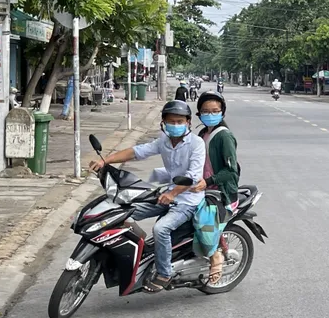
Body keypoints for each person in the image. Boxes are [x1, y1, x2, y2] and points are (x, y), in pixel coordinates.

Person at [88, 100, 205, 293]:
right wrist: (105, 161)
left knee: (160, 229)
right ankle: (143, 249)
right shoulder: (164, 141)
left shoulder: (196, 144)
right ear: (163, 122)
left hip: (188, 200)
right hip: (166, 194)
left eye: (180, 121)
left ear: (188, 122)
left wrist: (172, 193)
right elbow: (137, 152)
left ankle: (164, 273)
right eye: (171, 121)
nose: (175, 125)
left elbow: (193, 176)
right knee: (120, 213)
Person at [192, 91, 239, 286]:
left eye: (215, 111)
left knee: (201, 220)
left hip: (221, 193)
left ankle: (215, 257)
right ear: (199, 113)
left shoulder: (224, 136)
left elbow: (231, 171)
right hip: (202, 187)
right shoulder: (202, 134)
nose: (210, 114)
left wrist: (209, 180)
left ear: (222, 113)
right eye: (205, 111)